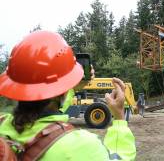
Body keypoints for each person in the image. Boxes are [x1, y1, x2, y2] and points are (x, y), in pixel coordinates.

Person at [0, 31, 136, 160]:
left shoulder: (3, 124)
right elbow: (120, 157)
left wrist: (70, 88)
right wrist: (119, 118)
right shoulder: (80, 147)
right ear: (63, 90)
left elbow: (47, 107)